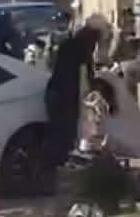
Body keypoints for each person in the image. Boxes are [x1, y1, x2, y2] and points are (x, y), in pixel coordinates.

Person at [44, 14, 107, 173]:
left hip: (55, 92)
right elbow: (85, 76)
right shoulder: (82, 49)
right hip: (65, 96)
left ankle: (55, 168)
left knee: (60, 134)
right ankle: (59, 168)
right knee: (65, 134)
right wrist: (93, 90)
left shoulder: (69, 44)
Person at [109, 8, 140, 104]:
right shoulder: (137, 35)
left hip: (126, 66)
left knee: (130, 96)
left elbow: (112, 54)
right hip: (136, 65)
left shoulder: (120, 34)